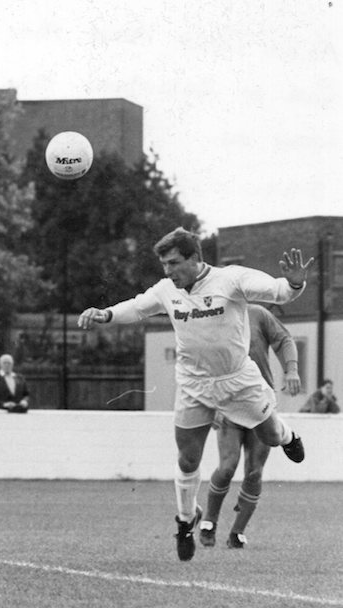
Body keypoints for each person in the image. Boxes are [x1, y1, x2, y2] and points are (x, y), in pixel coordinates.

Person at [77, 227, 312, 562]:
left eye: (173, 263)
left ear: (195, 258)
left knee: (272, 436)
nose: (168, 271)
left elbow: (276, 291)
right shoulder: (166, 290)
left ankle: (289, 434)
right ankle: (186, 521)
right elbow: (138, 307)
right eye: (164, 265)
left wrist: (294, 284)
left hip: (239, 380)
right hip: (193, 384)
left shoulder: (230, 280)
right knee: (188, 459)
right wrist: (106, 314)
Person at [199, 304, 301, 550]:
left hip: (260, 405)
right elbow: (199, 361)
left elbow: (284, 339)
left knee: (254, 471)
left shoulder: (257, 314)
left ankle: (237, 532)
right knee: (227, 467)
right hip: (228, 404)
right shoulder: (211, 317)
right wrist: (208, 403)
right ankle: (209, 522)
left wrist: (292, 370)